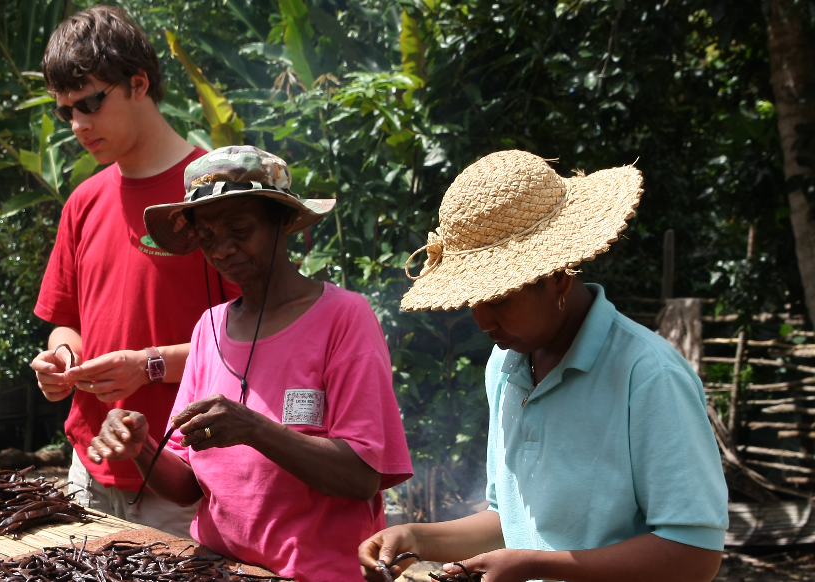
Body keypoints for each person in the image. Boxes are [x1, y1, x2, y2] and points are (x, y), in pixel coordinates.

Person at [360, 150, 728, 582]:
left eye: (498, 298)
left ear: (558, 276)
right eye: (471, 300)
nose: (481, 320)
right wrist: (415, 537)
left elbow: (695, 555)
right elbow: (512, 519)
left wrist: (534, 565)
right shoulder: (505, 365)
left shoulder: (648, 375)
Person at [88, 146, 413, 582]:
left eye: (240, 229)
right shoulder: (210, 328)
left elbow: (361, 477)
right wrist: (140, 447)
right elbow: (186, 485)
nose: (223, 249)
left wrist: (255, 429)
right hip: (219, 569)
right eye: (207, 236)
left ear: (283, 220)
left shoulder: (344, 317)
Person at [31, 5, 238, 536]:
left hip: (187, 479)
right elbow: (66, 321)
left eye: (90, 103)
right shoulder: (83, 202)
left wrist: (148, 366)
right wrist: (62, 359)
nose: (78, 124)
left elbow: (261, 342)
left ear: (139, 84)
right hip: (88, 470)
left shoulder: (218, 196)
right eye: (66, 111)